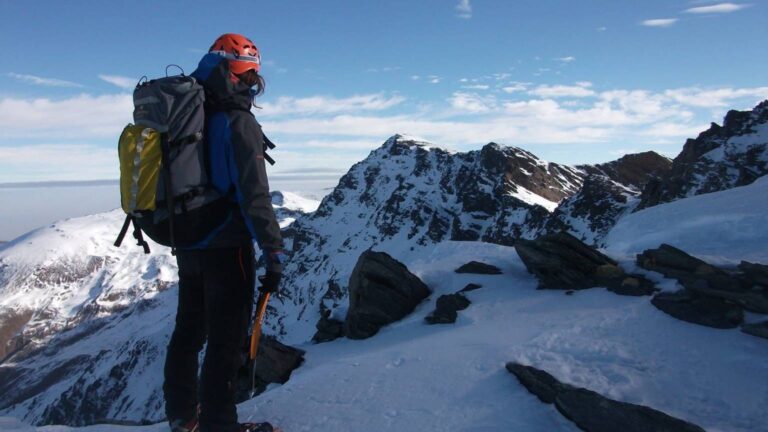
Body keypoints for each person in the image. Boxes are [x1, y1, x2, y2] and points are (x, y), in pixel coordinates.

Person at [162, 33, 285, 432]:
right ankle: (219, 425)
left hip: (188, 236)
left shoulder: (191, 112)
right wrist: (273, 252)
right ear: (243, 73)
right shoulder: (237, 121)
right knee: (225, 340)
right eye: (253, 77)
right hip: (227, 245)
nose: (254, 85)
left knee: (188, 332)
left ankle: (183, 418)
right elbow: (253, 196)